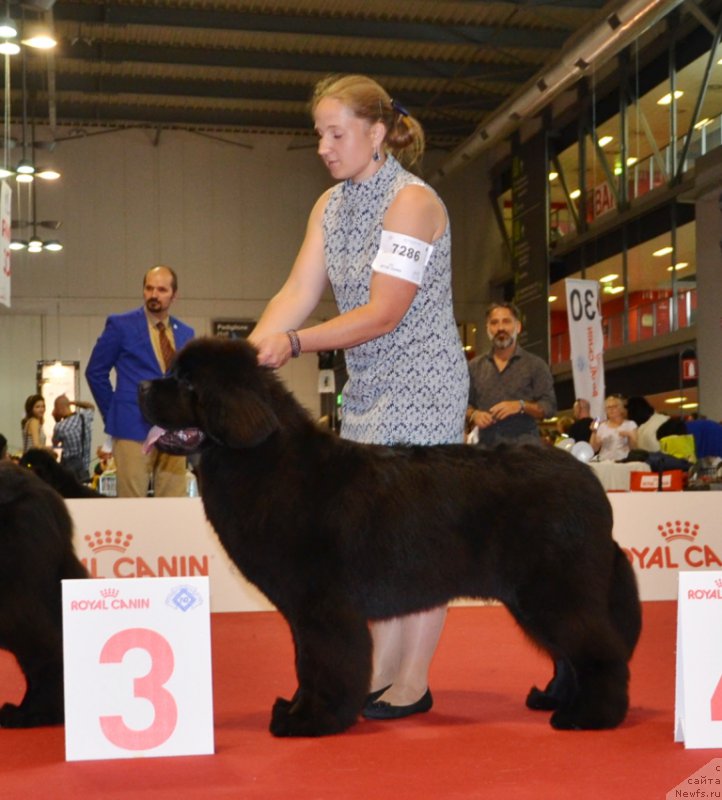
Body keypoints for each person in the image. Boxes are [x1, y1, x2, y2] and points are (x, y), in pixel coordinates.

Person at [248, 74, 469, 720]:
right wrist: (243, 358)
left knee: (418, 539)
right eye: (318, 133)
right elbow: (296, 289)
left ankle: (412, 681)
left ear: (377, 133)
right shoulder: (331, 207)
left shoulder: (413, 203)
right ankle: (384, 674)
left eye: (336, 133)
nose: (323, 145)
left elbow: (384, 312)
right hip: (368, 389)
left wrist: (292, 344)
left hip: (424, 387)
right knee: (378, 541)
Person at [85, 265, 195, 497]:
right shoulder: (120, 325)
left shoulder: (186, 333)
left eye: (162, 290)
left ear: (174, 295)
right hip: (131, 426)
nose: (154, 295)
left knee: (173, 503)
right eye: (149, 288)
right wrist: (113, 411)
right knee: (131, 502)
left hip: (173, 428)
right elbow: (95, 372)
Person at [466, 302, 557, 446]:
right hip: (485, 454)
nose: (500, 328)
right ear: (487, 328)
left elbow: (549, 407)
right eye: (494, 323)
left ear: (518, 327)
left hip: (525, 453)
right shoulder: (474, 367)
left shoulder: (536, 365)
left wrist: (521, 406)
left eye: (506, 322)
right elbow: (463, 405)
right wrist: (474, 415)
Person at [51, 394, 95, 482]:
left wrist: (56, 419)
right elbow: (91, 406)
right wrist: (73, 402)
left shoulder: (60, 427)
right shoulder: (85, 417)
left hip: (68, 472)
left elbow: (55, 443)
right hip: (84, 470)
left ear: (59, 409)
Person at [590, 394, 638, 461]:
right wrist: (594, 432)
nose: (611, 409)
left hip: (624, 461)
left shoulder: (630, 425)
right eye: (608, 407)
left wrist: (629, 435)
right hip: (605, 462)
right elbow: (594, 449)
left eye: (614, 406)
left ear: (621, 408)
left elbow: (635, 448)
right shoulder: (602, 426)